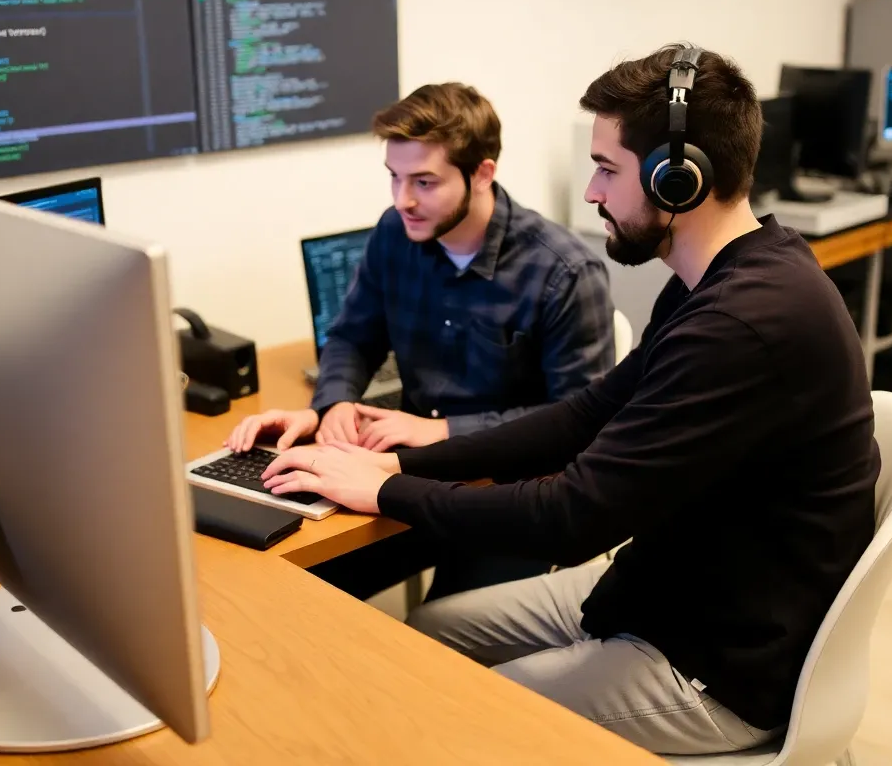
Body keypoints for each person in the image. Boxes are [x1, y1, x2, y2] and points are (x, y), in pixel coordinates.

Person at [256, 44, 881, 757]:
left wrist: (391, 490)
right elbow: (585, 415)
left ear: (678, 180)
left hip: (715, 665)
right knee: (429, 639)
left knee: (439, 706)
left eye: (608, 170)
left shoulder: (740, 324)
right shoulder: (721, 277)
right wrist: (403, 462)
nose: (590, 192)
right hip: (662, 591)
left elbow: (571, 519)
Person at [227, 81, 615, 600]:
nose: (403, 200)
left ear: (482, 174)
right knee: (293, 589)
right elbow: (350, 336)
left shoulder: (565, 271)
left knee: (444, 642)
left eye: (425, 182)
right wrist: (334, 401)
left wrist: (445, 430)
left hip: (510, 498)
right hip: (410, 479)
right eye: (394, 178)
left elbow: (576, 425)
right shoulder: (395, 232)